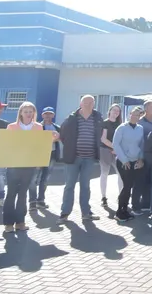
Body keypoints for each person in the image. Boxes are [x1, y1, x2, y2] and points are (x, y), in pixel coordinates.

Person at [3, 102, 52, 234]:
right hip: (13, 165)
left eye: (31, 111)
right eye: (26, 111)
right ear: (20, 113)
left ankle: (20, 222)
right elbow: (6, 145)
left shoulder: (38, 127)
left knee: (23, 194)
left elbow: (39, 146)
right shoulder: (11, 127)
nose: (29, 114)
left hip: (29, 166)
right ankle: (8, 223)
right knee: (11, 194)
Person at [57, 95, 104, 224]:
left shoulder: (98, 118)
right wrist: (70, 147)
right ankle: (64, 213)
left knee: (85, 186)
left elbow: (100, 135)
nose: (88, 104)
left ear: (94, 104)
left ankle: (86, 213)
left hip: (89, 158)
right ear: (80, 103)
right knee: (69, 186)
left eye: (90, 102)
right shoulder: (71, 118)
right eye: (85, 102)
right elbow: (63, 135)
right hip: (73, 158)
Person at [112, 106, 145, 222]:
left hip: (135, 162)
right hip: (123, 162)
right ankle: (120, 212)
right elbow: (116, 144)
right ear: (129, 114)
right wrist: (124, 159)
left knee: (129, 186)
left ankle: (125, 210)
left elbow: (142, 145)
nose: (135, 117)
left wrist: (140, 159)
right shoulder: (121, 128)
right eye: (134, 114)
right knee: (127, 186)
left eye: (138, 115)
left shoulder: (140, 128)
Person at [29, 106, 61, 209]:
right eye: (46, 114)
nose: (48, 116)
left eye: (50, 114)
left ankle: (41, 200)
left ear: (53, 115)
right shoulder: (37, 126)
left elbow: (61, 138)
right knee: (34, 178)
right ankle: (32, 201)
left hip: (51, 155)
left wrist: (57, 139)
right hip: (38, 155)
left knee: (45, 178)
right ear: (42, 115)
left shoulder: (57, 127)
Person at [133, 100, 152, 214]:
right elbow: (138, 142)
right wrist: (140, 158)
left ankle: (146, 204)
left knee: (149, 182)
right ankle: (136, 206)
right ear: (146, 109)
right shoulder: (140, 123)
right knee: (139, 182)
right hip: (142, 157)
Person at [99, 103, 122, 206]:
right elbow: (103, 139)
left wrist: (117, 150)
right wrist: (114, 148)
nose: (116, 112)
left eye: (118, 111)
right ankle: (103, 197)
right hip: (105, 151)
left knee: (120, 174)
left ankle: (121, 196)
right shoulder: (105, 123)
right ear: (110, 111)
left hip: (116, 152)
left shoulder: (120, 124)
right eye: (114, 110)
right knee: (104, 173)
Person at [0, 100, 9, 207]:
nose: (2, 110)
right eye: (0, 108)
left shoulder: (4, 124)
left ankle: (0, 198)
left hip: (0, 156)